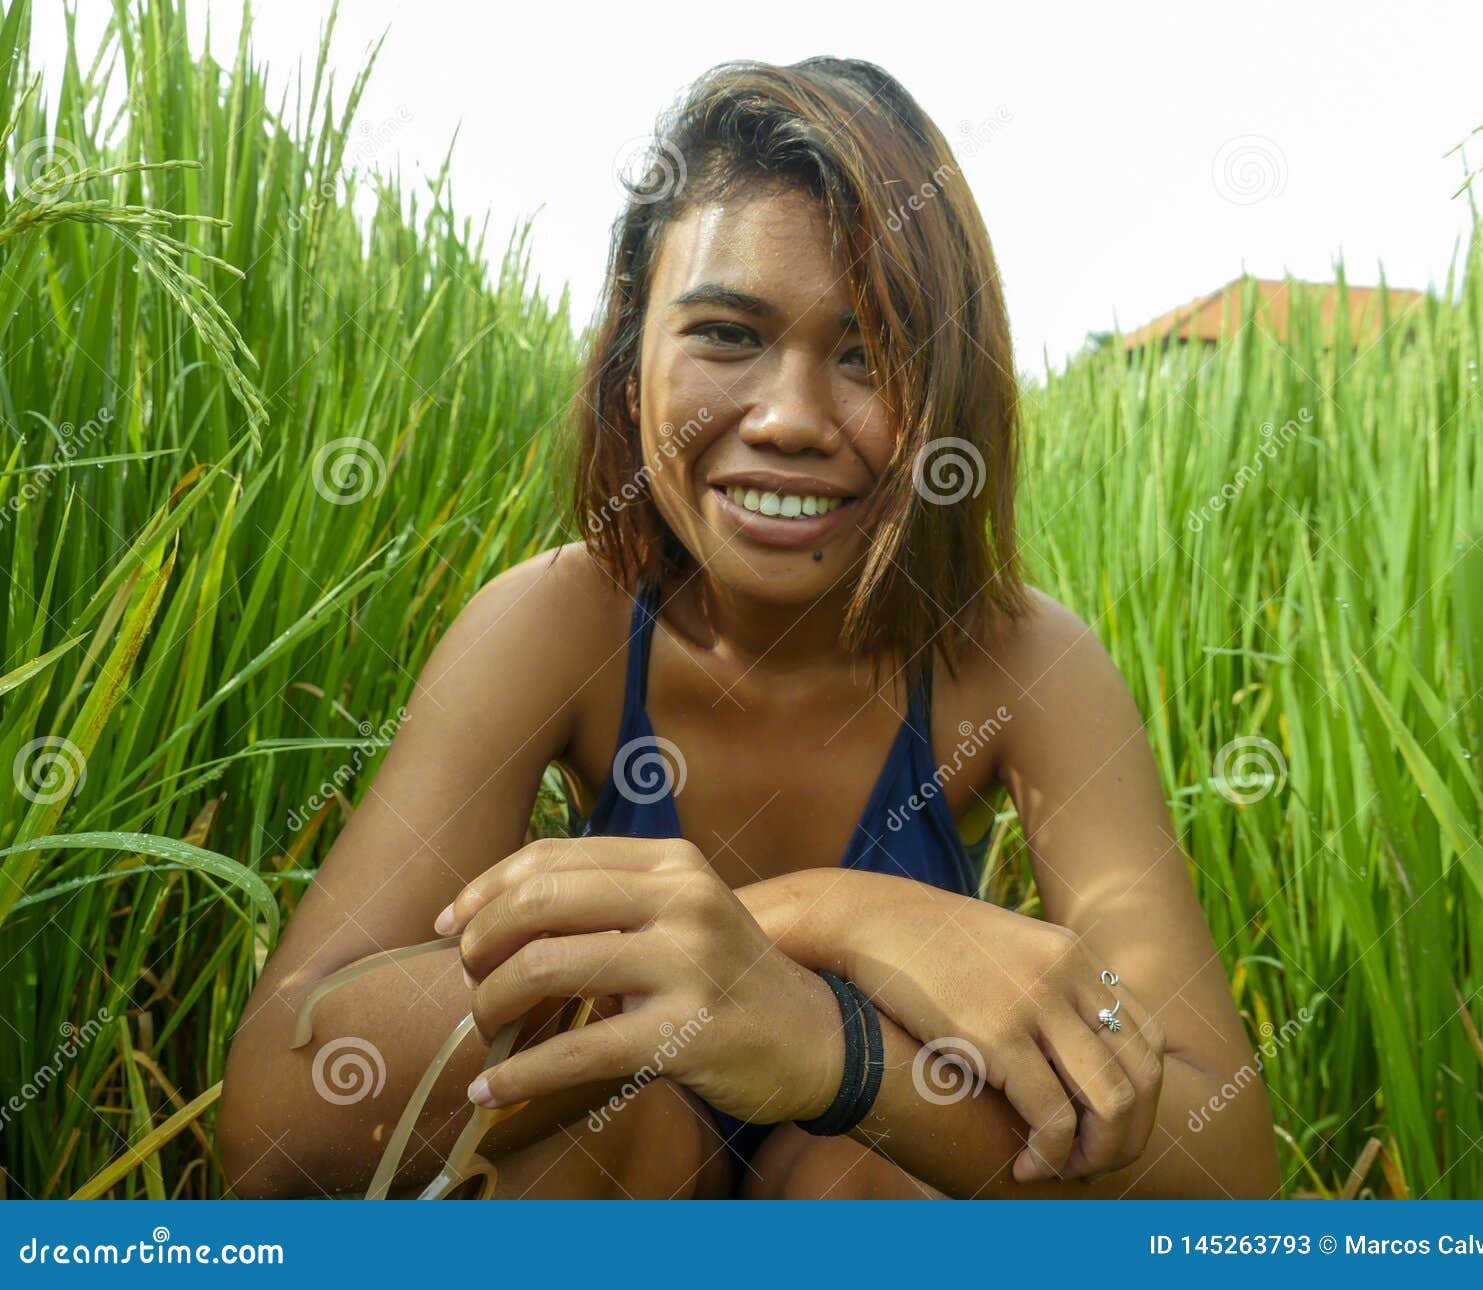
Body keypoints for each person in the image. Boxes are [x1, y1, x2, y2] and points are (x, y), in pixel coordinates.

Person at [216, 56, 1278, 1200]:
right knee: (621, 1135)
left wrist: (835, 1056)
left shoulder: (1022, 663)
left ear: (950, 400)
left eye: (872, 356)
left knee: (860, 1181)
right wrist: (815, 922)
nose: (789, 418)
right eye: (727, 334)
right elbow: (277, 1118)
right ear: (632, 373)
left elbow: (1224, 1172)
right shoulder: (558, 622)